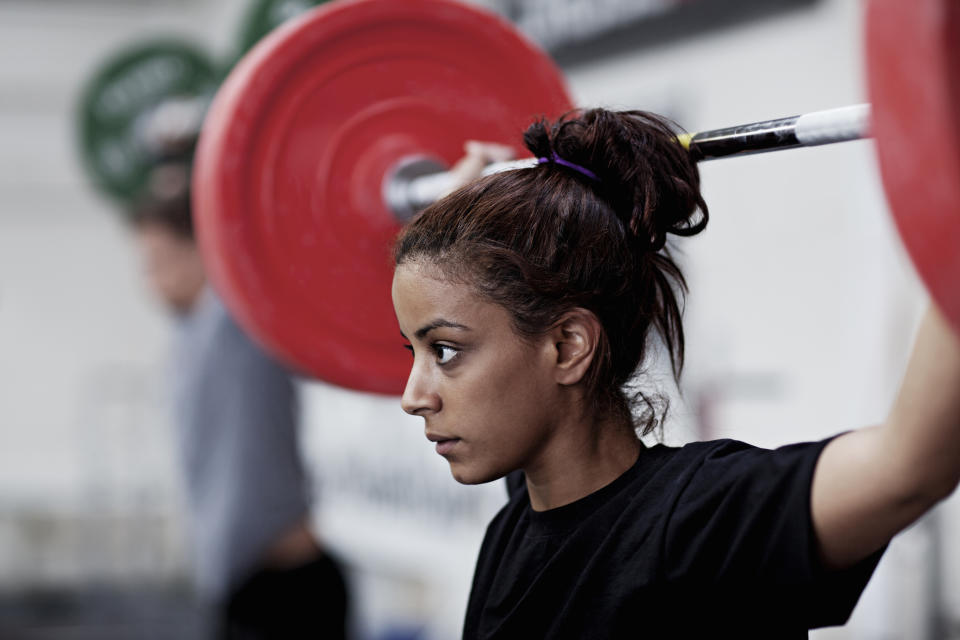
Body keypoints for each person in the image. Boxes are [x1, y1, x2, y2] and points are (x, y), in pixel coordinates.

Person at [390, 109, 960, 637]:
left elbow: (910, 466)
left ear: (567, 347)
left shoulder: (697, 524)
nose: (413, 398)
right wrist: (467, 204)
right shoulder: (522, 518)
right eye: (413, 350)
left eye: (444, 351)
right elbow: (470, 299)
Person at [130, 168, 348, 639]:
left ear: (204, 252)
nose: (151, 283)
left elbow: (260, 238)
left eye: (158, 261)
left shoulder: (235, 319)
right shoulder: (189, 333)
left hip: (289, 595)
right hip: (243, 585)